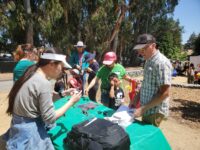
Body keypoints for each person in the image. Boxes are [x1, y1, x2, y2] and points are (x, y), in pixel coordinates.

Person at [3, 48, 82, 149]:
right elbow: (50, 118)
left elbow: (38, 96)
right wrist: (71, 101)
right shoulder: (43, 83)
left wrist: (63, 94)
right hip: (29, 130)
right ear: (52, 64)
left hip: (19, 124)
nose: (62, 72)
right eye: (61, 68)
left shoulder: (33, 74)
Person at [132, 34, 172, 127]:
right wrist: (136, 98)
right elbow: (146, 82)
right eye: (139, 49)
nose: (140, 52)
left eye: (143, 49)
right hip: (147, 108)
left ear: (153, 46)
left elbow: (165, 93)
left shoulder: (161, 63)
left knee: (148, 137)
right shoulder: (148, 59)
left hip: (154, 110)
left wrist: (142, 109)